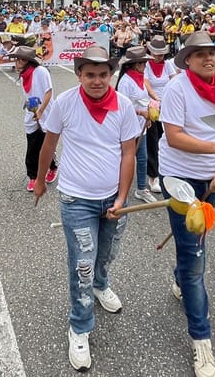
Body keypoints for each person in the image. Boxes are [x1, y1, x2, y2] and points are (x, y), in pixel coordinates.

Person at [33, 45, 140, 372]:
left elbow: (128, 154)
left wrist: (121, 199)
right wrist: (40, 181)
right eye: (90, 74)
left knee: (105, 254)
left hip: (113, 199)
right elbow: (49, 144)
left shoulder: (123, 106)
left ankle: (101, 284)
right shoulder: (64, 103)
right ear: (79, 74)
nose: (97, 81)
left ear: (111, 75)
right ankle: (79, 327)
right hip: (76, 200)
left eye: (103, 74)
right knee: (82, 263)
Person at [158, 30, 215, 377]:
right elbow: (174, 137)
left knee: (195, 241)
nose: (209, 59)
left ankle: (179, 277)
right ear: (188, 61)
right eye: (200, 55)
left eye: (212, 53)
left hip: (212, 178)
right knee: (195, 258)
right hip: (179, 179)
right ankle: (202, 344)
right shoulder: (176, 89)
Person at [114, 45, 160, 204]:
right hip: (128, 129)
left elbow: (143, 100)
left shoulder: (140, 79)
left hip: (142, 126)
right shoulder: (126, 81)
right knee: (124, 159)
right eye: (142, 63)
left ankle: (141, 188)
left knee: (142, 158)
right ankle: (117, 189)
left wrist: (149, 113)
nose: (145, 66)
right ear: (134, 64)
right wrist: (141, 113)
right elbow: (122, 107)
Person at [8, 45, 57, 191]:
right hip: (32, 113)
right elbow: (29, 95)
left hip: (45, 113)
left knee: (44, 147)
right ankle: (33, 176)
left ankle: (50, 168)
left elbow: (48, 92)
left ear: (26, 61)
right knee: (32, 146)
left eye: (18, 60)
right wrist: (29, 105)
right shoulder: (24, 75)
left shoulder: (41, 71)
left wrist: (41, 111)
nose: (16, 63)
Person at [145, 35, 178, 193]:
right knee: (152, 140)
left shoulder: (167, 65)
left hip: (167, 105)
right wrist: (155, 97)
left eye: (161, 53)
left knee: (166, 138)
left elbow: (174, 79)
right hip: (152, 105)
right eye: (156, 53)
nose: (159, 56)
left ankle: (168, 169)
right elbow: (146, 83)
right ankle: (153, 176)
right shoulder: (146, 64)